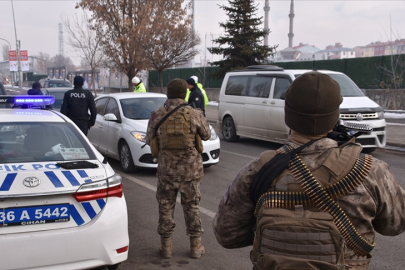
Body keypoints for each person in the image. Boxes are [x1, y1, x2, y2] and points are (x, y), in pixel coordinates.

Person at [213, 71, 405, 270]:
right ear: (335, 116)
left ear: (288, 116)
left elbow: (226, 235)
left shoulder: (257, 170)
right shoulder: (371, 171)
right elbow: (394, 225)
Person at [146, 78, 211, 259]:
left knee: (165, 208)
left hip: (166, 172)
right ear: (185, 94)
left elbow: (148, 138)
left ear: (168, 93)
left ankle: (166, 248)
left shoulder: (157, 114)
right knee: (192, 207)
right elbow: (206, 135)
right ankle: (196, 247)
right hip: (190, 172)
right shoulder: (195, 114)